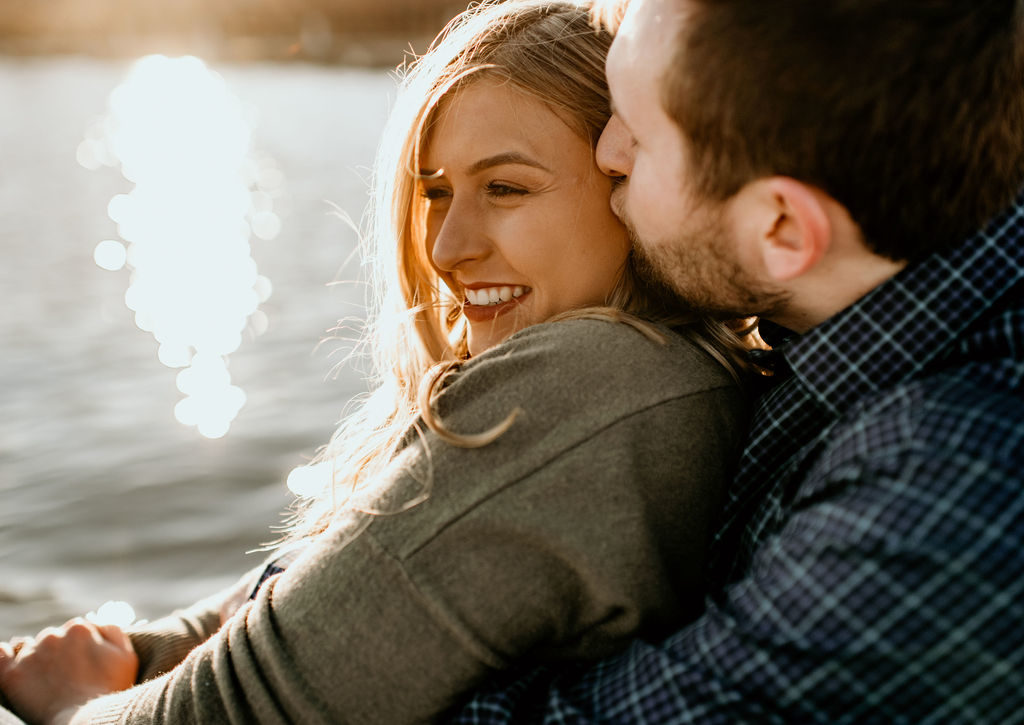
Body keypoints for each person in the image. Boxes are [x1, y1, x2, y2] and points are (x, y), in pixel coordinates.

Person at [0, 1, 757, 723]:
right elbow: (298, 603)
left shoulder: (593, 381)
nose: (448, 248)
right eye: (435, 192)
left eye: (505, 187)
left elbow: (240, 710)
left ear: (630, 182)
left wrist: (70, 704)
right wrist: (133, 652)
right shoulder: (645, 373)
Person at [446, 0, 1024, 721]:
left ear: (782, 227)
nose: (606, 153)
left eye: (640, 131)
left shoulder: (948, 498)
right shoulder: (879, 290)